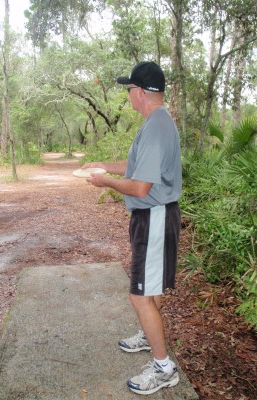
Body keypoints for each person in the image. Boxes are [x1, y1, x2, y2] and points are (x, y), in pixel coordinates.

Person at [84, 61, 182, 396]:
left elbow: (140, 186)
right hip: (152, 216)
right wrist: (102, 167)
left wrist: (106, 183)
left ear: (140, 92)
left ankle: (163, 368)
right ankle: (147, 335)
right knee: (148, 290)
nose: (128, 95)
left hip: (154, 214)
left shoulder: (156, 126)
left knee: (138, 295)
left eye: (129, 89)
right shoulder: (157, 122)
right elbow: (136, 165)